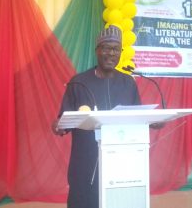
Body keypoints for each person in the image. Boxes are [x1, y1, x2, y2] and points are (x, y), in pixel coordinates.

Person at [52, 25, 141, 208]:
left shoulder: (128, 83)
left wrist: (151, 123)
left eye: (116, 49)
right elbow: (64, 119)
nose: (111, 53)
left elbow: (137, 116)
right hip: (86, 160)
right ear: (97, 50)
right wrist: (59, 126)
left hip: (120, 161)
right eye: (106, 48)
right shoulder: (79, 82)